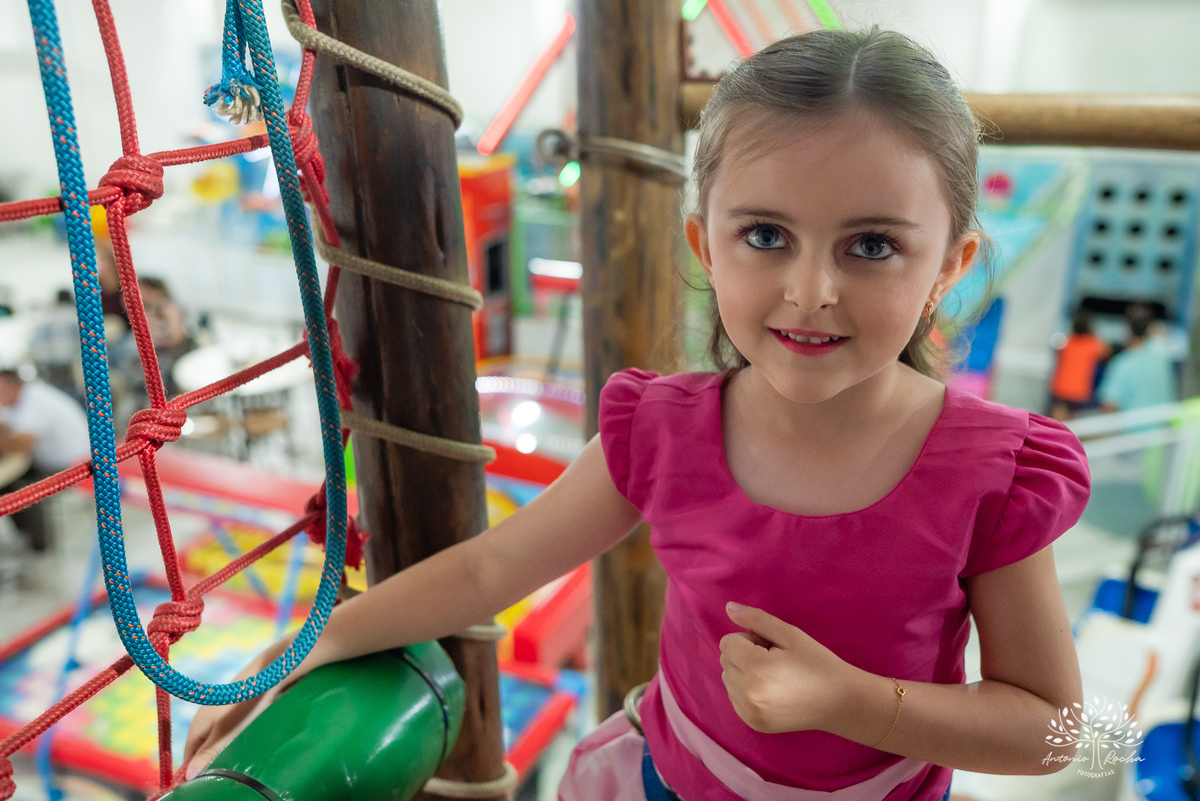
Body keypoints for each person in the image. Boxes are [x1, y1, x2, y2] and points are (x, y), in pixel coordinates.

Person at [184, 29, 1089, 801]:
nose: (811, 290)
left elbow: (1055, 729)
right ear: (705, 244)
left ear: (948, 266)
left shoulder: (989, 474)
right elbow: (492, 566)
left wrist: (852, 702)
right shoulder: (666, 433)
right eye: (765, 235)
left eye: (873, 245)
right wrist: (312, 645)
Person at [0, 369, 91, 551]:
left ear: (12, 386)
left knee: (18, 488)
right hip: (53, 461)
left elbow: (21, 445)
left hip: (75, 465)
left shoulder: (35, 399)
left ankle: (39, 544)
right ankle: (29, 537)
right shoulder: (20, 399)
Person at [1098, 304, 1178, 413]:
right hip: (1164, 423)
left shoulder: (1122, 364)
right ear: (1149, 327)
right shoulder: (1162, 355)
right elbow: (1162, 335)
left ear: (1126, 328)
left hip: (1133, 424)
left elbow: (1109, 405)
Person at [1048, 309, 1110, 421]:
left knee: (1058, 418)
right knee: (1074, 421)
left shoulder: (1066, 342)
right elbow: (1107, 352)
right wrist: (1095, 333)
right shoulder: (1093, 345)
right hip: (1079, 392)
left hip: (1060, 388)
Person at [29, 289, 82, 398]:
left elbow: (32, 344)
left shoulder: (44, 317)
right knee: (71, 399)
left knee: (54, 397)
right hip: (70, 367)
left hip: (48, 367)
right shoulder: (76, 316)